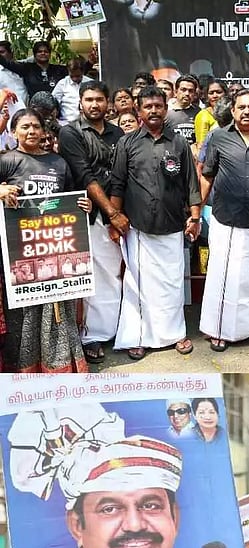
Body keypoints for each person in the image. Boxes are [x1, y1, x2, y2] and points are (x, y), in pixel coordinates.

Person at [9, 406, 196, 548]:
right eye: (110, 509)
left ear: (174, 517)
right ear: (77, 526)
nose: (134, 525)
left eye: (151, 506)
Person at [110, 85, 200, 360]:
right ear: (138, 110)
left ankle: (175, 334)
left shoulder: (179, 143)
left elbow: (191, 184)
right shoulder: (127, 143)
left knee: (172, 284)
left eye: (158, 106)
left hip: (172, 225)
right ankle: (138, 337)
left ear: (165, 109)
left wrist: (195, 217)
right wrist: (115, 219)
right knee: (139, 286)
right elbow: (117, 184)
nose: (153, 111)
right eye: (147, 106)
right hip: (138, 228)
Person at [0, 108, 91, 374]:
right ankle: (24, 369)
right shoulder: (7, 160)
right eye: (25, 127)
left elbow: (69, 198)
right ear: (13, 131)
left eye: (36, 126)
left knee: (57, 310)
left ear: (43, 131)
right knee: (24, 314)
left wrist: (83, 206)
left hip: (54, 248)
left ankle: (59, 366)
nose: (31, 131)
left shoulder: (58, 163)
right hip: (20, 251)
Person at [199, 89, 249, 352]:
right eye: (242, 107)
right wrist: (195, 212)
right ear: (233, 111)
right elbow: (207, 176)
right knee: (223, 277)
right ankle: (219, 329)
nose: (247, 111)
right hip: (226, 220)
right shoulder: (218, 137)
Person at [58, 80, 126, 365]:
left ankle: (114, 330)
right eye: (89, 100)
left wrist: (117, 213)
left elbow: (120, 175)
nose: (94, 105)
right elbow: (84, 174)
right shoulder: (70, 132)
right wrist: (111, 213)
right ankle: (91, 336)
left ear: (108, 103)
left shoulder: (117, 132)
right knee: (93, 276)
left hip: (117, 213)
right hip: (89, 214)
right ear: (80, 103)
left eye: (99, 99)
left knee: (113, 273)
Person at [0, 40, 67, 98]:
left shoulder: (59, 69)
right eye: (39, 51)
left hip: (56, 107)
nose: (43, 53)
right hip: (34, 107)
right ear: (34, 55)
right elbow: (7, 63)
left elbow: (72, 68)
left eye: (46, 51)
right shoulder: (26, 68)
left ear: (49, 54)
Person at [52, 58, 92, 123]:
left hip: (87, 122)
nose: (75, 79)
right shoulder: (62, 83)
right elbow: (53, 102)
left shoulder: (90, 83)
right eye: (72, 76)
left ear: (82, 72)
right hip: (66, 122)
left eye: (77, 76)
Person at [166, 74, 200, 145]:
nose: (187, 93)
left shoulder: (199, 113)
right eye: (183, 90)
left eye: (191, 91)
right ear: (175, 92)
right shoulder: (166, 111)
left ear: (194, 94)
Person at [194, 79, 227, 144]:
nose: (215, 96)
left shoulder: (232, 112)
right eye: (211, 93)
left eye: (218, 92)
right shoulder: (203, 115)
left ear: (225, 93)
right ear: (206, 96)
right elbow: (201, 144)